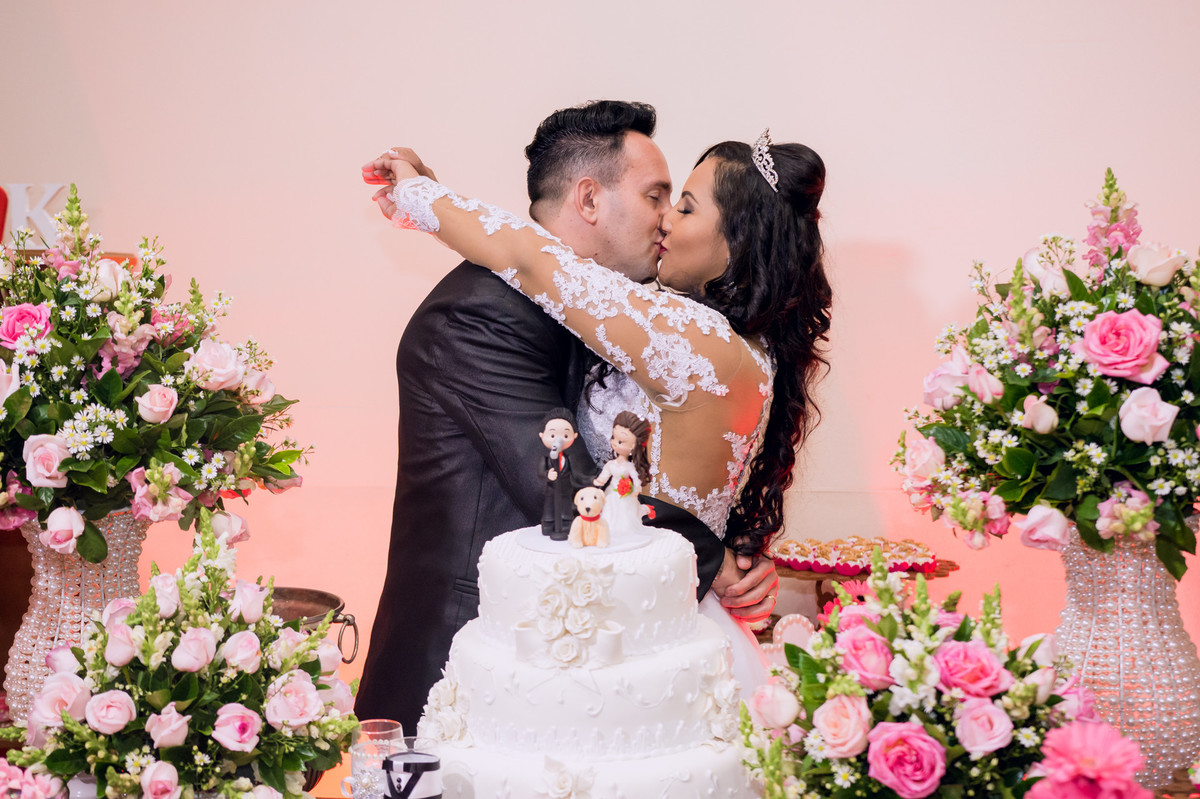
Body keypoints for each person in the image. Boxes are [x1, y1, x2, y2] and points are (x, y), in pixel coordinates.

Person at [355, 101, 778, 730]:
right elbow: (576, 496)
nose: (666, 218)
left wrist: (733, 540)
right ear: (588, 200)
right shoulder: (481, 315)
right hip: (464, 665)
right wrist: (712, 563)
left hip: (572, 654)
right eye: (656, 195)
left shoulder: (602, 312)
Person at [593, 410, 652, 532]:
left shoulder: (629, 466)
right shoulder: (610, 464)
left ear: (634, 446)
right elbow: (605, 474)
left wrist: (636, 487)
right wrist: (600, 481)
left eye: (620, 442)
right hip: (611, 491)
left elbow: (636, 478)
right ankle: (609, 529)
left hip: (625, 493)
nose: (614, 443)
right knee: (609, 509)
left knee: (625, 512)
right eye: (614, 437)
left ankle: (624, 530)